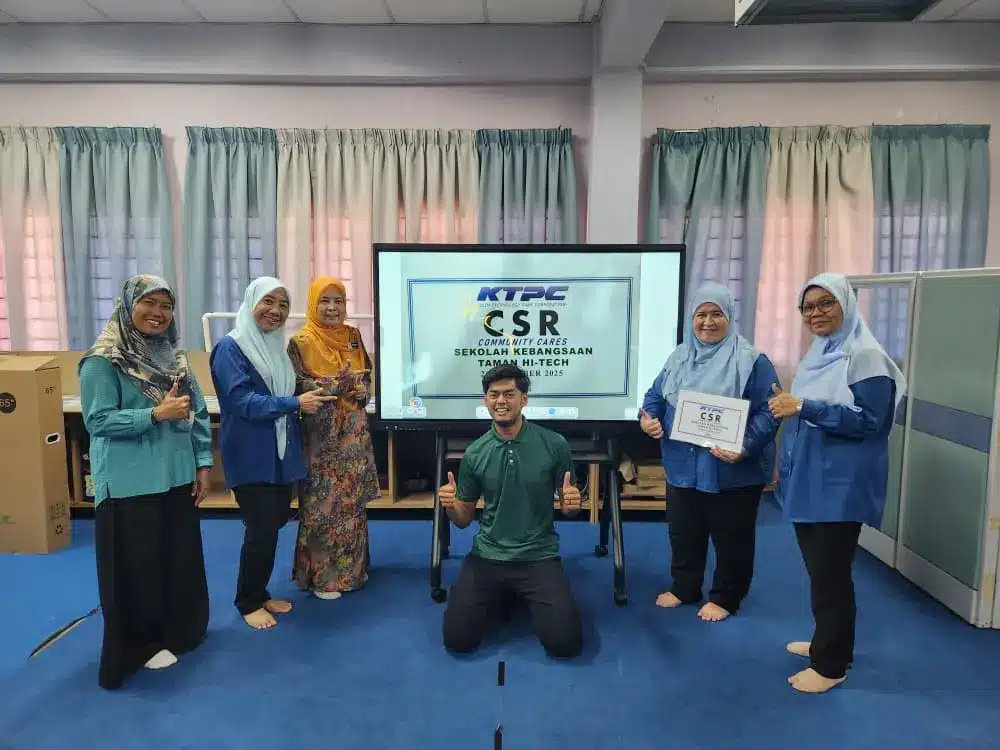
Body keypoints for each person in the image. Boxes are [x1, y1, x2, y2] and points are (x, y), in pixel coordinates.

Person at [768, 272, 906, 694]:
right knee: (821, 571)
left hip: (840, 483)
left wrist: (804, 406)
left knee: (830, 573)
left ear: (846, 304)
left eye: (826, 303)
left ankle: (830, 665)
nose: (816, 313)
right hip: (814, 476)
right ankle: (827, 642)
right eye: (807, 307)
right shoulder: (821, 352)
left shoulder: (865, 357)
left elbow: (871, 422)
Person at [78, 274, 213, 690]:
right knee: (136, 569)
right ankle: (139, 646)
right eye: (148, 303)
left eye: (166, 306)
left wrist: (202, 462)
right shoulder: (104, 360)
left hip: (175, 475)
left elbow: (197, 411)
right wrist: (154, 414)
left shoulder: (174, 357)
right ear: (128, 305)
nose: (158, 313)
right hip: (129, 482)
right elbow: (98, 421)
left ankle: (176, 630)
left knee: (174, 559)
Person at [639, 282, 781, 622]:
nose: (707, 322)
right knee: (684, 532)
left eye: (716, 314)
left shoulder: (752, 361)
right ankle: (685, 587)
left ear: (729, 316)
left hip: (732, 469)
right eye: (700, 314)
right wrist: (648, 419)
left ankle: (727, 597)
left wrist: (745, 445)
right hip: (683, 465)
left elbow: (770, 411)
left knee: (732, 536)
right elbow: (654, 396)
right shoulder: (679, 357)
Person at [210, 276, 335, 630]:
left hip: (280, 454)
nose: (275, 311)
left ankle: (260, 592)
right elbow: (243, 401)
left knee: (274, 522)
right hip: (251, 455)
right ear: (251, 303)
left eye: (283, 304)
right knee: (261, 528)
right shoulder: (231, 348)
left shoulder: (276, 348)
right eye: (268, 301)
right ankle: (248, 601)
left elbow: (286, 392)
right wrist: (294, 403)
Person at [439, 363, 584, 659]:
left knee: (565, 644)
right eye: (494, 395)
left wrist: (572, 505)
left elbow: (569, 508)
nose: (501, 401)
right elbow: (463, 520)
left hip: (538, 555)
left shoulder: (554, 444)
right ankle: (504, 593)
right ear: (485, 400)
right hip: (488, 555)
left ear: (524, 399)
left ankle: (512, 595)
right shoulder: (475, 453)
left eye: (509, 394)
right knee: (458, 641)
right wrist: (451, 506)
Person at [287, 277, 380, 599]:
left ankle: (353, 572)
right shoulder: (300, 342)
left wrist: (361, 390)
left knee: (351, 503)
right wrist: (334, 385)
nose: (332, 308)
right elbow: (296, 387)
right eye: (324, 301)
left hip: (353, 432)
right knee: (323, 505)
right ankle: (323, 578)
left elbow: (366, 379)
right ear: (313, 304)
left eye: (338, 301)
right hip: (321, 435)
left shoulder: (353, 336)